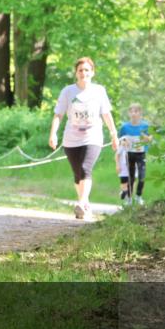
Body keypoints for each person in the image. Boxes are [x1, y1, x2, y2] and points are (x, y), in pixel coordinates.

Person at [49, 57, 119, 220]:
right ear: (76, 73)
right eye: (80, 70)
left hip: (93, 135)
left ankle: (81, 202)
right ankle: (85, 205)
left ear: (92, 72)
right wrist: (53, 133)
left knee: (86, 168)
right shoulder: (68, 91)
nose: (83, 73)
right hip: (71, 138)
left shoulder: (99, 91)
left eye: (87, 70)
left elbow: (106, 114)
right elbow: (58, 114)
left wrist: (114, 134)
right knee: (77, 172)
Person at [119, 103, 152, 205]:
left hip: (140, 154)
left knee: (142, 177)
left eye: (136, 111)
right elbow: (120, 139)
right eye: (131, 111)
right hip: (129, 154)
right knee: (131, 178)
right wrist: (124, 142)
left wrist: (146, 138)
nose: (133, 114)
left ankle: (138, 197)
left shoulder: (145, 125)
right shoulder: (124, 127)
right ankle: (129, 198)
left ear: (140, 113)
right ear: (129, 113)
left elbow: (150, 139)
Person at [116, 136, 131, 205]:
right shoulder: (121, 148)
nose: (125, 142)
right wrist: (118, 165)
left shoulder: (132, 148)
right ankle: (124, 192)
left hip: (131, 167)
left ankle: (129, 198)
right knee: (123, 181)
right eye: (124, 140)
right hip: (123, 167)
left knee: (130, 182)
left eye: (127, 140)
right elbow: (117, 156)